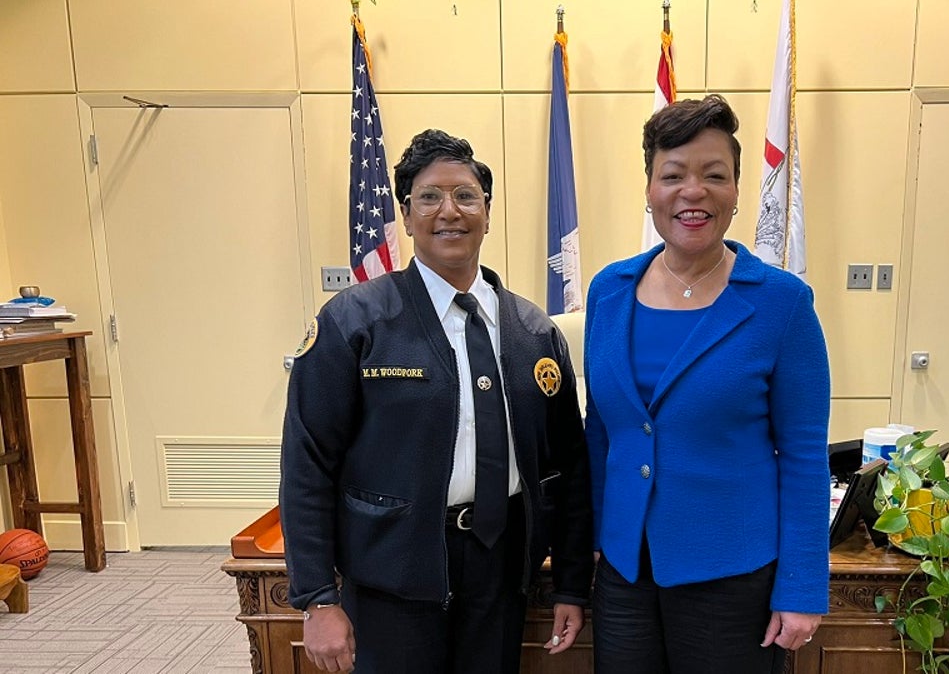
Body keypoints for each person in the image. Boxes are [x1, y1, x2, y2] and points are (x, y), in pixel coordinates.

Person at [280, 129, 593, 674]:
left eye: (466, 196)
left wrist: (570, 583)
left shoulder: (532, 332)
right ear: (405, 214)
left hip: (500, 571)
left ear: (488, 212)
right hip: (391, 576)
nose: (449, 211)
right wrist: (317, 598)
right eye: (429, 197)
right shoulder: (354, 322)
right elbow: (307, 463)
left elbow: (568, 468)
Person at [583, 95, 832, 674]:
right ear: (649, 188)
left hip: (733, 574)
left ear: (738, 190)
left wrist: (800, 588)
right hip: (625, 571)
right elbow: (602, 431)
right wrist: (594, 537)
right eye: (672, 175)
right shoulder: (609, 291)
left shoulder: (781, 304)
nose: (692, 192)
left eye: (714, 175)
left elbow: (802, 456)